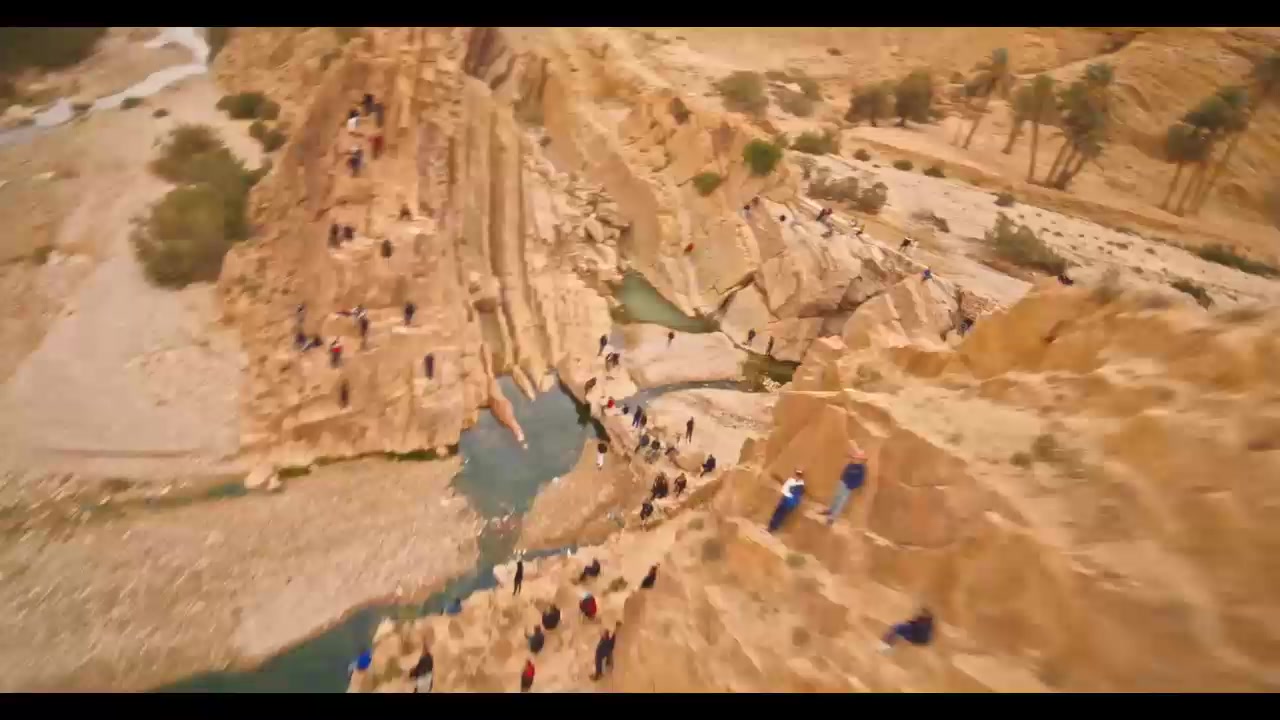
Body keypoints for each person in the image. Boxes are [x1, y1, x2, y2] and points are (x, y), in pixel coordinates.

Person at [822, 448, 867, 525]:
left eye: (857, 458)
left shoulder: (861, 469)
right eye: (855, 457)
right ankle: (830, 511)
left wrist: (851, 486)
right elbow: (845, 471)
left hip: (848, 487)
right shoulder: (851, 464)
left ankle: (832, 518)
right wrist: (842, 479)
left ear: (861, 460)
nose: (855, 459)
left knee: (841, 502)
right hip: (842, 483)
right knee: (836, 498)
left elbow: (860, 481)